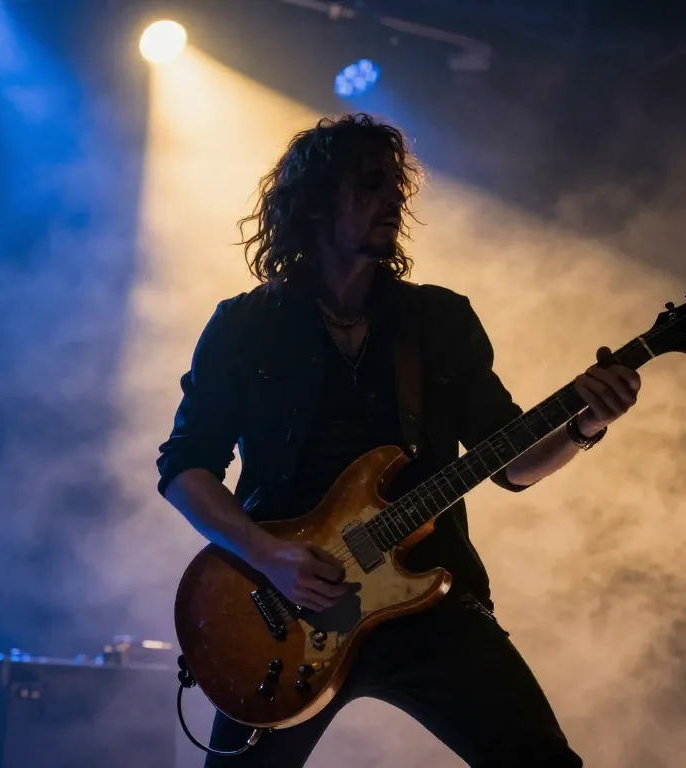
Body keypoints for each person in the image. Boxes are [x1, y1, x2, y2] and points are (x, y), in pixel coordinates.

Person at [156, 113, 640, 767]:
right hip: (288, 609)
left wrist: (585, 424)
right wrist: (269, 556)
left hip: (429, 600)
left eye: (396, 187)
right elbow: (186, 467)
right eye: (370, 184)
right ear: (316, 202)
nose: (393, 200)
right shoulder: (245, 326)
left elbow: (512, 464)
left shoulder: (438, 319)